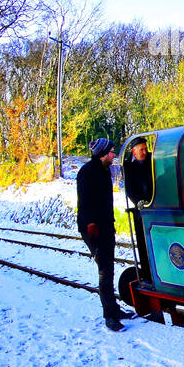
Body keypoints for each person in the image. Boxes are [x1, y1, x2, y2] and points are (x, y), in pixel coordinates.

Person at [77, 137, 134, 332]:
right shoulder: (87, 173)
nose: (113, 155)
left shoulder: (104, 170)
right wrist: (91, 225)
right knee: (105, 270)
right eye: (111, 152)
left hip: (106, 227)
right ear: (102, 153)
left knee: (108, 269)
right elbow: (83, 203)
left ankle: (114, 309)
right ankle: (109, 316)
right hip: (94, 229)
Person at [122, 137, 152, 206]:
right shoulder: (127, 165)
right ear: (134, 151)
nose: (145, 152)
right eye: (141, 150)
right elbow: (129, 189)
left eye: (146, 149)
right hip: (139, 205)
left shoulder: (152, 158)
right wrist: (138, 201)